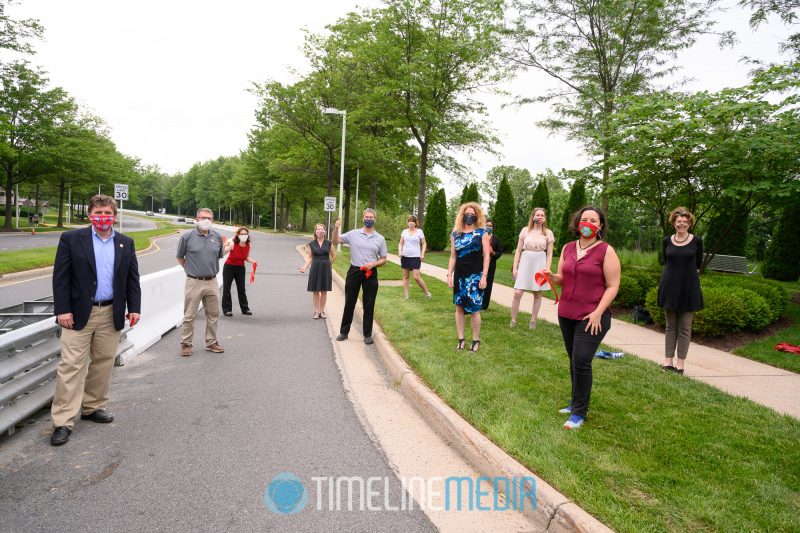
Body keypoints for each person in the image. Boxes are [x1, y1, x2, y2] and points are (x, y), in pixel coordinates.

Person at [50, 194, 141, 446]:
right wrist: (63, 310)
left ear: (114, 216)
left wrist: (134, 307)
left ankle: (92, 407)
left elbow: (132, 279)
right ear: (90, 215)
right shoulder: (71, 239)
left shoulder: (125, 242)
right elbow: (61, 277)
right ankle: (62, 421)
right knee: (71, 366)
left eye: (108, 213)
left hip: (110, 311)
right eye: (98, 213)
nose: (103, 218)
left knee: (102, 363)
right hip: (78, 314)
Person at [542, 206, 620, 430]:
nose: (587, 223)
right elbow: (562, 279)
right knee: (574, 359)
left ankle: (578, 413)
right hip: (567, 313)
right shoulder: (567, 248)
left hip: (592, 317)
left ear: (600, 226)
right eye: (584, 219)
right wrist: (552, 276)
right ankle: (575, 401)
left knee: (582, 360)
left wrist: (597, 312)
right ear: (578, 223)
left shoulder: (606, 251)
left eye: (592, 220)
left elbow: (613, 286)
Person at [176, 208, 233, 357]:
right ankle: (186, 344)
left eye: (208, 218)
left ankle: (211, 342)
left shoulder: (217, 237)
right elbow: (180, 257)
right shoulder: (187, 237)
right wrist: (191, 270)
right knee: (189, 315)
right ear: (197, 219)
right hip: (194, 281)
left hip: (212, 281)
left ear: (212, 220)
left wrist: (230, 247)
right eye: (202, 217)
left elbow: (219, 255)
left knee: (214, 314)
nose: (206, 220)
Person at [658, 207, 704, 374]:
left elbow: (698, 264)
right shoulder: (666, 241)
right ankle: (668, 360)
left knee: (685, 327)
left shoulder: (697, 241)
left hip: (688, 289)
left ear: (689, 223)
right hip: (669, 286)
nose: (682, 224)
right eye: (679, 222)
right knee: (670, 326)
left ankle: (680, 363)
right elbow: (666, 261)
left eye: (685, 222)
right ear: (673, 223)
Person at [332, 208, 388, 345]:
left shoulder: (380, 238)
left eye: (371, 217)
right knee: (349, 303)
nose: (369, 219)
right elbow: (335, 240)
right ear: (363, 218)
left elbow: (384, 258)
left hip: (370, 273)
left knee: (369, 305)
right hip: (354, 272)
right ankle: (344, 332)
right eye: (367, 217)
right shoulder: (353, 234)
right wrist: (335, 228)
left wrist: (374, 264)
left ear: (375, 219)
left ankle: (367, 335)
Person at [447, 202, 491, 352]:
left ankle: (476, 340)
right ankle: (460, 338)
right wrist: (449, 274)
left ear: (477, 216)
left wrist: (484, 276)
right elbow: (453, 257)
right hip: (459, 274)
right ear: (462, 215)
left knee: (473, 309)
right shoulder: (455, 234)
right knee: (459, 307)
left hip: (475, 275)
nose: (470, 216)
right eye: (467, 214)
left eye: (473, 214)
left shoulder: (482, 233)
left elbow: (486, 256)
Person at [511, 208, 555, 329]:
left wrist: (547, 268)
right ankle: (513, 319)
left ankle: (533, 320)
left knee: (537, 293)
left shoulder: (548, 233)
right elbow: (518, 250)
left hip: (540, 261)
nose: (539, 217)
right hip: (525, 261)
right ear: (532, 216)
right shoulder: (525, 231)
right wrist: (515, 268)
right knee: (517, 293)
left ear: (544, 218)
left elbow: (550, 253)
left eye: (542, 215)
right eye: (537, 214)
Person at [299, 223, 335, 319]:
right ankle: (316, 312)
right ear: (315, 232)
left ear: (325, 232)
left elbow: (334, 256)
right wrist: (304, 267)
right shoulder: (312, 244)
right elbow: (310, 258)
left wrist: (329, 264)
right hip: (315, 268)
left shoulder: (329, 243)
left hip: (325, 269)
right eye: (318, 229)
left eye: (322, 229)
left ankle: (322, 311)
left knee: (324, 291)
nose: (320, 231)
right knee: (315, 291)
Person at [222, 226, 256, 317]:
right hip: (229, 267)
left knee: (241, 289)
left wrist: (253, 261)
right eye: (242, 234)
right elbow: (223, 253)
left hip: (240, 268)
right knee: (227, 288)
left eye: (245, 234)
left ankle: (245, 309)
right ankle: (227, 310)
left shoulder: (248, 245)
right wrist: (227, 246)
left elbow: (246, 257)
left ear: (248, 235)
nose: (244, 235)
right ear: (238, 235)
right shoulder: (232, 243)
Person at [398, 215, 431, 300]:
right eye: (409, 221)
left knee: (416, 277)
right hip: (405, 256)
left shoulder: (419, 231)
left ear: (416, 223)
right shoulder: (404, 231)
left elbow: (424, 243)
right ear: (407, 222)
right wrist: (400, 251)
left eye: (413, 221)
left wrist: (422, 253)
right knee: (406, 276)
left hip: (416, 256)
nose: (411, 222)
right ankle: (406, 295)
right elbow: (400, 243)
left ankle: (427, 292)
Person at [482, 219, 503, 310]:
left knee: (488, 284)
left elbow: (500, 252)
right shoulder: (480, 237)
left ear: (493, 228)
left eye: (490, 226)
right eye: (487, 225)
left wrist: (492, 252)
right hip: (479, 263)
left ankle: (484, 305)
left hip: (491, 265)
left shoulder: (496, 239)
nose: (488, 227)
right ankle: (476, 302)